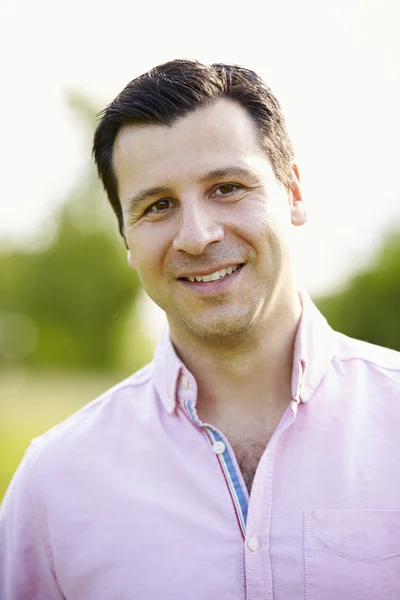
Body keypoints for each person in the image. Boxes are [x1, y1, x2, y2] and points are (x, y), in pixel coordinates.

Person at [1, 59, 400, 600]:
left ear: (294, 193)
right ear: (125, 236)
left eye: (227, 188)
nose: (196, 235)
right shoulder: (55, 481)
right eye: (158, 205)